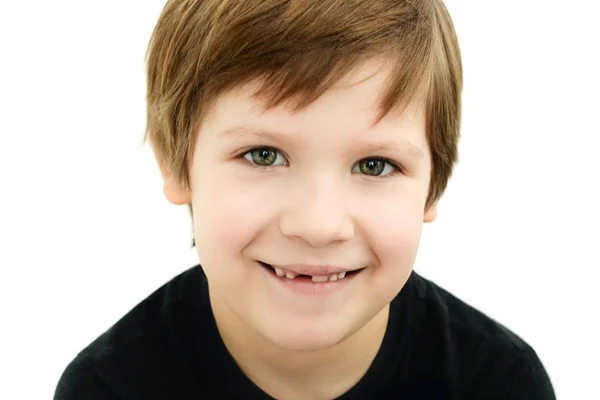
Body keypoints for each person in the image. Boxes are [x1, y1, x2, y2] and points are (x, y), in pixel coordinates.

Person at [54, 0, 556, 398]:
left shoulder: (498, 384)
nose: (319, 224)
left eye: (374, 165)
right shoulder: (110, 388)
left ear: (434, 184)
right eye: (264, 155)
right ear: (176, 161)